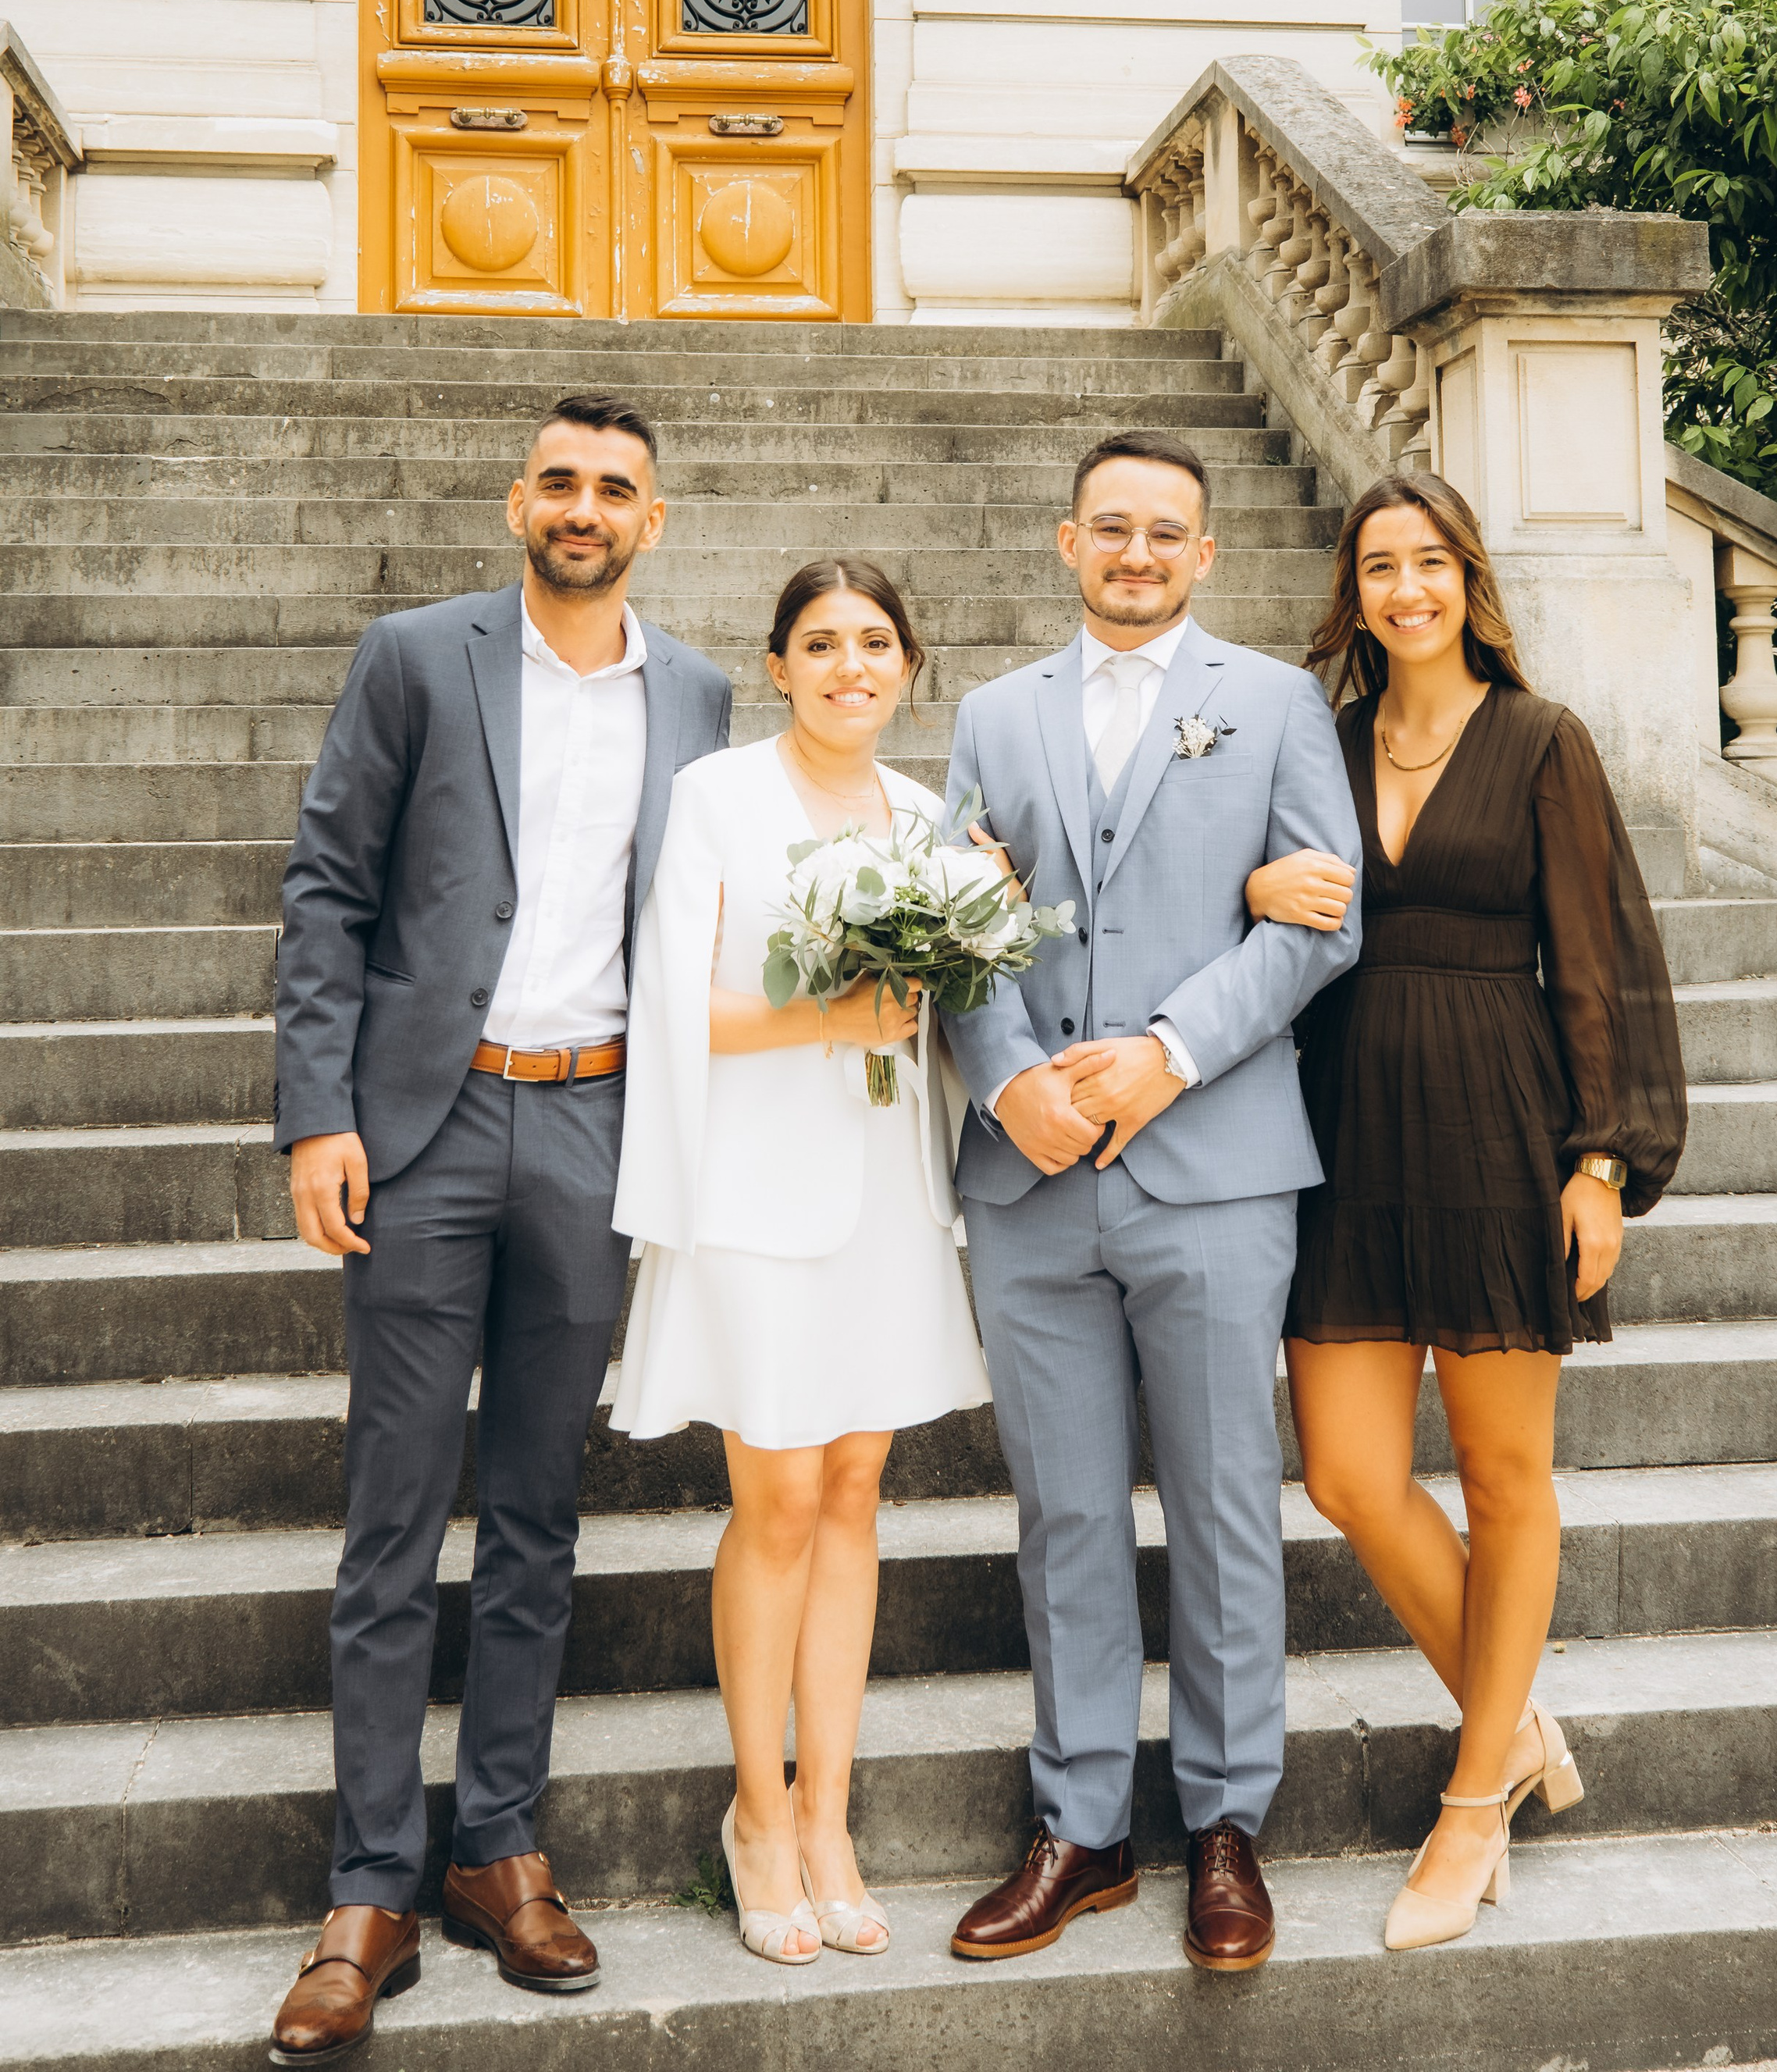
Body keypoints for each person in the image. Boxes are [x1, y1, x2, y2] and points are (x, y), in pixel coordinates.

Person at [268, 397, 731, 2063]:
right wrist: (320, 1112)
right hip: (428, 1123)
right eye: (559, 481)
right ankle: (369, 1883)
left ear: (652, 520)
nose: (583, 506)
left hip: (596, 1127)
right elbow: (330, 882)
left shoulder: (695, 693)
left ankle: (497, 1849)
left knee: (539, 1511)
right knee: (394, 1516)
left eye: (614, 487)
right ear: (515, 502)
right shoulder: (417, 657)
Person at [940, 430, 1363, 1976]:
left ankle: (1227, 1823)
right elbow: (950, 920)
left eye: (1162, 533)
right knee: (1061, 1511)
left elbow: (1322, 918)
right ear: (1066, 545)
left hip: (1212, 1171)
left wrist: (1168, 1055)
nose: (1133, 553)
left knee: (1221, 1504)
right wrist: (1011, 1086)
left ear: (1203, 554)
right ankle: (1080, 1827)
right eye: (1108, 528)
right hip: (1032, 1184)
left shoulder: (1268, 707)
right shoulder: (989, 717)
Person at [1260, 470, 1686, 1953]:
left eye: (1428, 561)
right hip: (1347, 1138)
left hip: (1506, 1137)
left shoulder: (1543, 742)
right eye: (1379, 566)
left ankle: (1468, 1803)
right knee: (1348, 1475)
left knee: (1506, 1482)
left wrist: (1604, 1162)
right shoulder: (1316, 743)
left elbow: (1607, 962)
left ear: (1466, 577)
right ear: (1354, 591)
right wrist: (1262, 880)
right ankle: (1510, 1729)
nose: (1405, 589)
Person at [611, 558, 990, 1967]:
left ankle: (831, 1815)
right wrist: (827, 1016)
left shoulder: (928, 816)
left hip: (888, 1190)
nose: (850, 666)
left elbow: (938, 1014)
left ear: (907, 667)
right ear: (778, 666)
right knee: (774, 1501)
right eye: (821, 643)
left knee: (854, 1491)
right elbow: (677, 1005)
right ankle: (757, 1813)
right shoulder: (719, 797)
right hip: (753, 1193)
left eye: (875, 643)